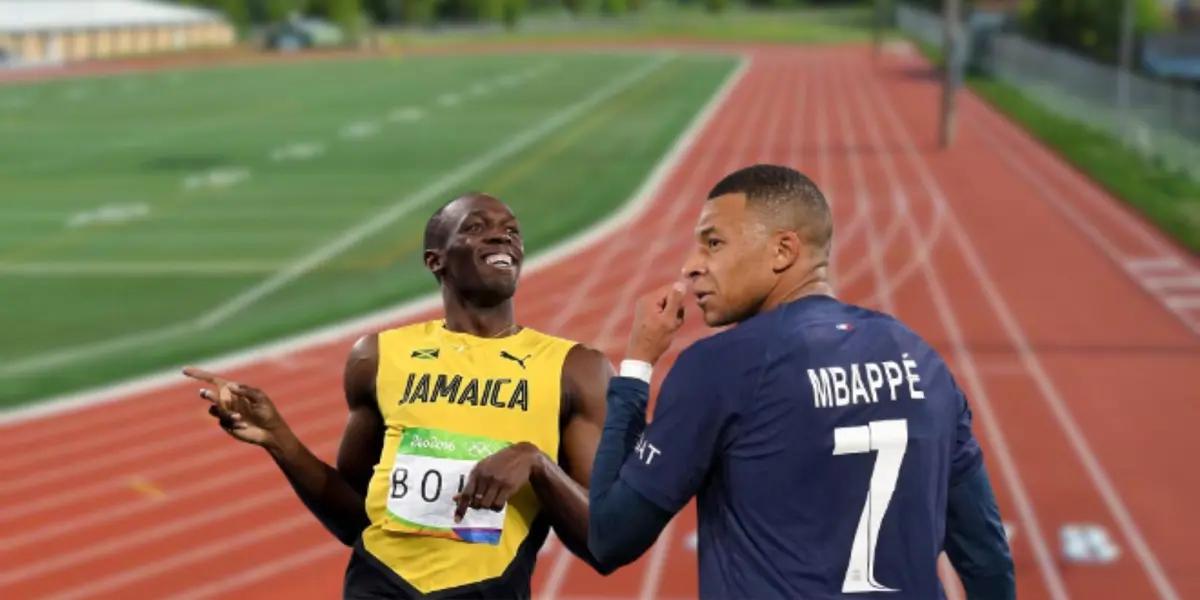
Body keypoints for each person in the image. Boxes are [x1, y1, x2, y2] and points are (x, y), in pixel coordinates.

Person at [587, 165, 1015, 599]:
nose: (691, 266)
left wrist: (638, 365)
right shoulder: (922, 359)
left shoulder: (721, 366)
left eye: (713, 243)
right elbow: (985, 559)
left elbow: (609, 536)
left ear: (783, 251)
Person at [185, 193, 613, 599]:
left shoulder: (576, 369)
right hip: (379, 584)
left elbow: (603, 542)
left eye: (513, 231)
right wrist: (279, 438)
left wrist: (537, 465)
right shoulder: (378, 356)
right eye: (477, 227)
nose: (503, 236)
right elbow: (356, 516)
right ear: (436, 260)